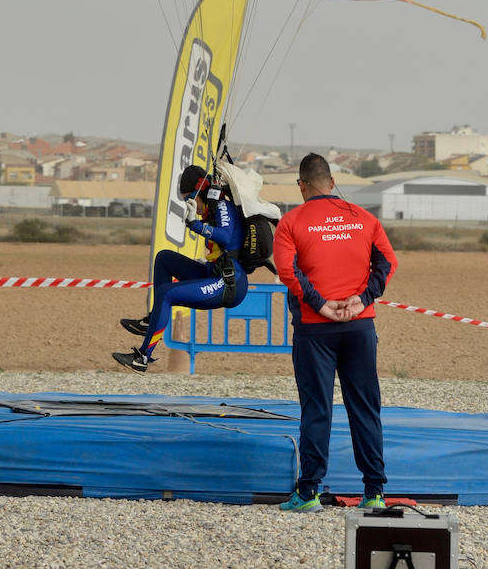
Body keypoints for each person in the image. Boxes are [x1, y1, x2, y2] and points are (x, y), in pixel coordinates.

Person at [272, 153, 398, 514]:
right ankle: (374, 492)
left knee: (317, 409)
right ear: (331, 182)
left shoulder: (291, 222)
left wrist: (321, 304)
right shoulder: (364, 218)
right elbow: (387, 263)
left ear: (301, 186)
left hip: (315, 330)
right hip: (360, 326)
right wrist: (362, 299)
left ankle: (309, 493)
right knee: (365, 408)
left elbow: (288, 272)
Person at [112, 164, 249, 373]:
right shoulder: (212, 209)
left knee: (167, 293)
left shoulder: (222, 207)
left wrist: (195, 225)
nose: (189, 204)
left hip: (230, 283)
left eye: (189, 199)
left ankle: (142, 358)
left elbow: (225, 236)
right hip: (214, 272)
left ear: (200, 192)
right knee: (164, 258)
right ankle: (153, 319)